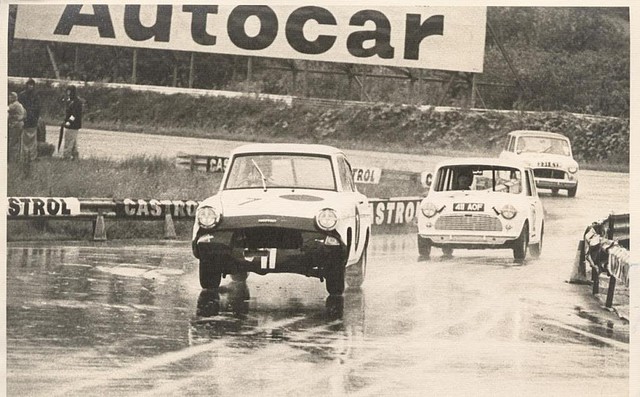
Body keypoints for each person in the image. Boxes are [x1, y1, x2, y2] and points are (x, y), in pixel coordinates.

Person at [18, 78, 40, 162]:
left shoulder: (35, 95)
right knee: (24, 140)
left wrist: (36, 118)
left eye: (32, 85)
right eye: (29, 84)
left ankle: (32, 157)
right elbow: (20, 107)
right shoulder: (22, 95)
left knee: (33, 140)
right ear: (26, 85)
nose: (30, 86)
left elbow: (38, 108)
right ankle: (24, 157)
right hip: (25, 119)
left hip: (33, 120)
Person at [62, 85, 83, 160]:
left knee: (69, 140)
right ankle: (75, 156)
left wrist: (69, 122)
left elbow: (75, 114)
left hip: (73, 125)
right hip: (72, 124)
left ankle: (66, 156)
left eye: (69, 91)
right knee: (73, 141)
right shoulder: (70, 101)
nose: (68, 93)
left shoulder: (76, 102)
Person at [8, 91, 26, 163]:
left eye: (10, 97)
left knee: (12, 142)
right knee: (17, 142)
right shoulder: (20, 105)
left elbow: (6, 109)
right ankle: (17, 158)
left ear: (13, 98)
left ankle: (12, 159)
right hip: (20, 123)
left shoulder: (14, 105)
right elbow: (25, 113)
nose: (9, 98)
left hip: (16, 124)